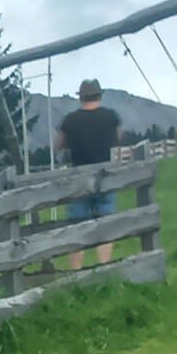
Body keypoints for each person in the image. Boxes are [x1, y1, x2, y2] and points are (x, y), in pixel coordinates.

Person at [56, 78, 124, 270]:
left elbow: (59, 145)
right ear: (99, 95)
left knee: (77, 224)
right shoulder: (111, 117)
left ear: (81, 97)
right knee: (105, 221)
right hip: (105, 175)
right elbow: (118, 137)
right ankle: (104, 267)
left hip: (79, 177)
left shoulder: (70, 120)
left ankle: (76, 272)